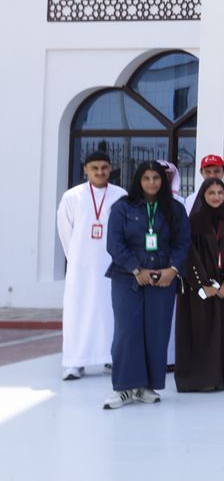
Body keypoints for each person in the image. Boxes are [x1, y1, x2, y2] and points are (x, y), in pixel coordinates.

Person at [102, 162, 190, 409]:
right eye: (146, 178)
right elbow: (114, 244)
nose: (152, 183)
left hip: (163, 278)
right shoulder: (123, 207)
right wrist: (136, 269)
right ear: (138, 181)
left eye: (156, 178)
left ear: (164, 181)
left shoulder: (175, 209)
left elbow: (183, 242)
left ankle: (145, 387)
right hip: (127, 278)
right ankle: (123, 388)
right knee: (126, 332)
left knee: (156, 332)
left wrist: (172, 270)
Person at [56, 150, 124, 381]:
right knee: (78, 312)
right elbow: (65, 231)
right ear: (85, 170)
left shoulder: (120, 195)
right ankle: (74, 362)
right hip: (81, 268)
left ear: (110, 168)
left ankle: (110, 357)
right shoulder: (72, 196)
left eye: (104, 167)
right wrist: (77, 257)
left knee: (111, 311)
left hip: (112, 264)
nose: (100, 172)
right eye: (94, 168)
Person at [175, 176, 224, 393]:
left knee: (223, 332)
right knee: (201, 330)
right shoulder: (193, 220)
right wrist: (202, 284)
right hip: (198, 288)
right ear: (203, 195)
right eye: (211, 193)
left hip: (223, 286)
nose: (216, 197)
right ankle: (200, 379)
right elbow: (189, 254)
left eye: (220, 193)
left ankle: (222, 378)